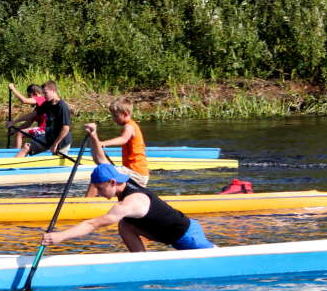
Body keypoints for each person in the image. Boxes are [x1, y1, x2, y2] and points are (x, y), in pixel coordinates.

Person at [42, 133, 214, 252]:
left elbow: (92, 224)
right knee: (126, 225)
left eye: (100, 189)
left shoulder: (128, 204)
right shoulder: (124, 180)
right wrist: (93, 136)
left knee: (214, 258)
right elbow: (100, 160)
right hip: (173, 234)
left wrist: (60, 237)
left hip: (188, 237)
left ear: (112, 182)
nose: (99, 193)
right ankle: (141, 261)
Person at [84, 97, 149, 196]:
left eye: (115, 116)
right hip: (136, 171)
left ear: (126, 114)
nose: (113, 118)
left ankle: (85, 203)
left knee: (99, 174)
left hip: (136, 172)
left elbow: (123, 139)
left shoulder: (130, 126)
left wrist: (104, 143)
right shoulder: (130, 125)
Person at [15, 80, 72, 157]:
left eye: (46, 93)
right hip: (49, 138)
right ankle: (10, 167)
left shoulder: (62, 106)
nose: (44, 96)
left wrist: (55, 144)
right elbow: (32, 115)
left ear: (54, 91)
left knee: (56, 158)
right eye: (43, 93)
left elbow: (66, 128)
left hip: (62, 141)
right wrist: (14, 122)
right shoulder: (47, 104)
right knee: (26, 147)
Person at [5, 83, 47, 149]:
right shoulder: (39, 108)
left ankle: (16, 155)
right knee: (19, 133)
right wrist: (14, 131)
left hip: (46, 130)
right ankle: (18, 151)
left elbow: (24, 100)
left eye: (29, 96)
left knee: (20, 133)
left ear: (35, 93)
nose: (29, 98)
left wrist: (13, 89)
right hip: (43, 130)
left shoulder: (41, 99)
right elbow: (28, 123)